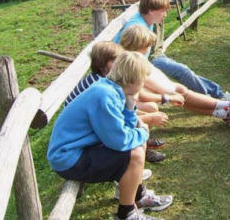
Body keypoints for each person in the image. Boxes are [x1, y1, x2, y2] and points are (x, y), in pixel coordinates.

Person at [48, 51, 173, 220]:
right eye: (143, 81)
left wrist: (130, 109)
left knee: (137, 143)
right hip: (68, 158)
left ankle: (138, 196)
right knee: (134, 153)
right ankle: (127, 214)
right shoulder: (104, 95)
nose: (143, 85)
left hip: (80, 149)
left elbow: (122, 127)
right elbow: (118, 141)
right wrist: (142, 131)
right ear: (133, 80)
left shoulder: (111, 88)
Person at [120, 25, 230, 128]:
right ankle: (227, 106)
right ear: (138, 45)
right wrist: (166, 97)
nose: (149, 49)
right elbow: (140, 92)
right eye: (147, 46)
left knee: (180, 93)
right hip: (145, 97)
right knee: (180, 93)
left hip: (162, 90)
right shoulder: (132, 63)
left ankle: (224, 112)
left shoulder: (135, 58)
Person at [63, 41, 169, 163]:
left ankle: (142, 145)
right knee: (147, 114)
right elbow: (116, 122)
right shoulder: (101, 86)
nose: (119, 64)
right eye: (114, 61)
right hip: (82, 136)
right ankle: (141, 150)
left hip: (91, 129)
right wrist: (148, 118)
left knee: (148, 110)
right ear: (102, 65)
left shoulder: (108, 82)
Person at [113, 0, 226, 99]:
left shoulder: (148, 20)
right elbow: (128, 57)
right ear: (151, 10)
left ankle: (216, 94)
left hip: (147, 61)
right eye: (163, 11)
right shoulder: (137, 28)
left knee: (182, 74)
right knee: (182, 72)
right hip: (143, 64)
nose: (165, 15)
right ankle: (213, 97)